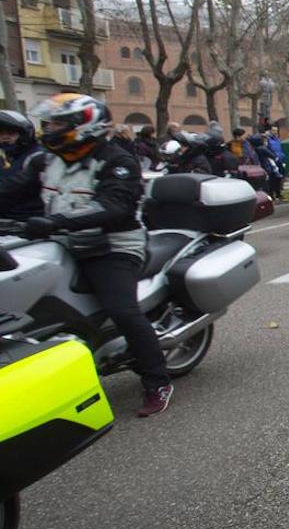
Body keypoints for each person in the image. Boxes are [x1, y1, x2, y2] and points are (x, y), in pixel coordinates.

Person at [0, 94, 173, 416]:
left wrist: (56, 222)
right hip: (61, 242)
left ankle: (157, 381)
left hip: (111, 246)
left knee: (122, 309)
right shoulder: (46, 160)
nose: (48, 129)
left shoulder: (117, 161)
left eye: (57, 124)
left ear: (84, 127)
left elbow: (115, 208)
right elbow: (9, 191)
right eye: (49, 123)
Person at [0, 109, 46, 220]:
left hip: (26, 221)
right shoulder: (6, 156)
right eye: (1, 133)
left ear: (24, 134)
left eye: (11, 133)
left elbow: (13, 186)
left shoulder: (36, 157)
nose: (5, 137)